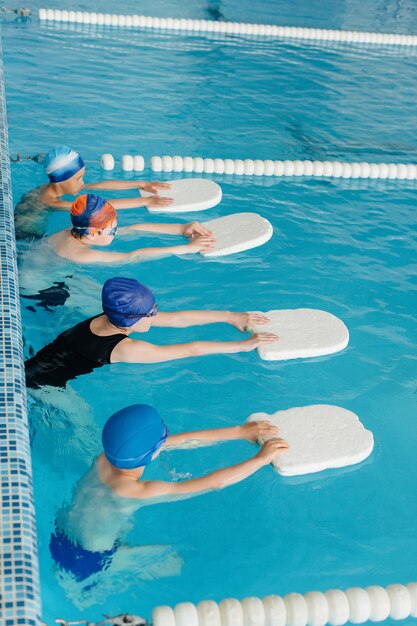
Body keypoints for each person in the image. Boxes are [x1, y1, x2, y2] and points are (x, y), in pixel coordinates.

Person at [50, 403, 288, 583]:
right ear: (153, 452)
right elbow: (213, 482)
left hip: (61, 536)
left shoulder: (104, 458)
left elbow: (183, 440)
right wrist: (261, 459)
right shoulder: (135, 490)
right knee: (177, 563)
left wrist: (240, 432)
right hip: (93, 562)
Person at [25, 276, 278, 389]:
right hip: (42, 383)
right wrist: (242, 345)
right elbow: (191, 349)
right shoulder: (127, 348)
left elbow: (179, 319)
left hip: (36, 363)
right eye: (151, 312)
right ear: (133, 321)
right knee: (84, 434)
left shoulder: (111, 314)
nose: (157, 314)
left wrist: (231, 317)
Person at [14, 145, 173, 240]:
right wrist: (145, 201)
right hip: (26, 238)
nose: (83, 183)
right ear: (62, 181)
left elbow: (99, 185)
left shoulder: (55, 187)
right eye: (78, 178)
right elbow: (98, 208)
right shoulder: (50, 201)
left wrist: (141, 183)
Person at [49, 193, 215, 264]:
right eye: (112, 231)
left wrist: (181, 228)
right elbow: (132, 256)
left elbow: (133, 229)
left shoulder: (78, 231)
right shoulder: (82, 254)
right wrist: (187, 248)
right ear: (93, 234)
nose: (117, 231)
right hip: (45, 289)